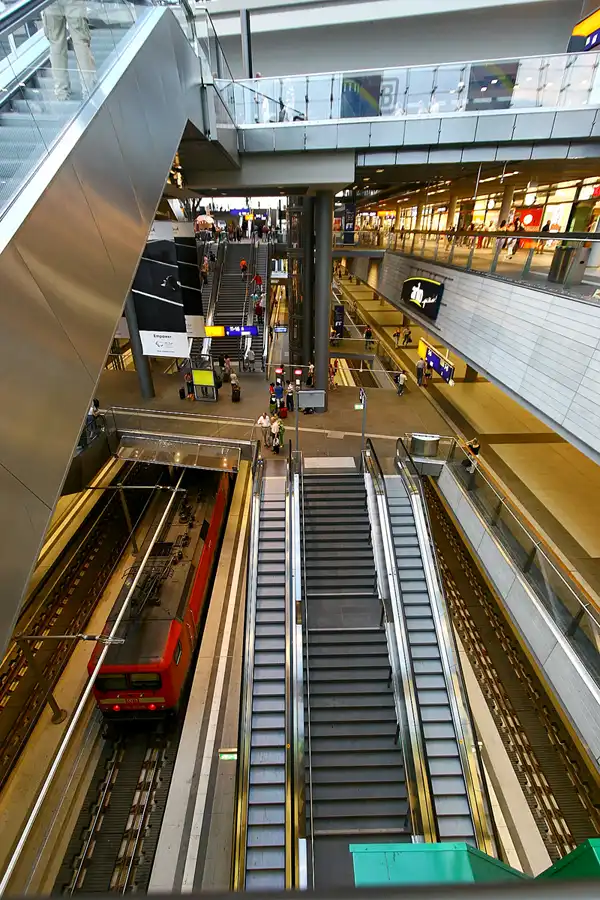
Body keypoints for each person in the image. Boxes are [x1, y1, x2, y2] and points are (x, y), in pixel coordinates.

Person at [43, 0, 96, 101]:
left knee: (56, 43)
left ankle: (61, 92)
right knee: (80, 42)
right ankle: (89, 89)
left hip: (50, 3)